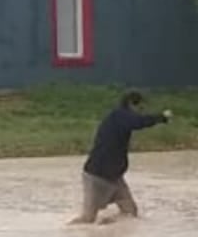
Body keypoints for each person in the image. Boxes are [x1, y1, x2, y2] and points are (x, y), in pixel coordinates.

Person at [71, 91, 173, 225]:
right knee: (87, 219)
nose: (140, 112)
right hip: (97, 175)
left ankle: (107, 227)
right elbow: (138, 122)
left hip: (115, 176)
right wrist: (161, 117)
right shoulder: (120, 116)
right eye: (140, 108)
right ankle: (67, 235)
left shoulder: (120, 117)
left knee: (130, 213)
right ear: (131, 104)